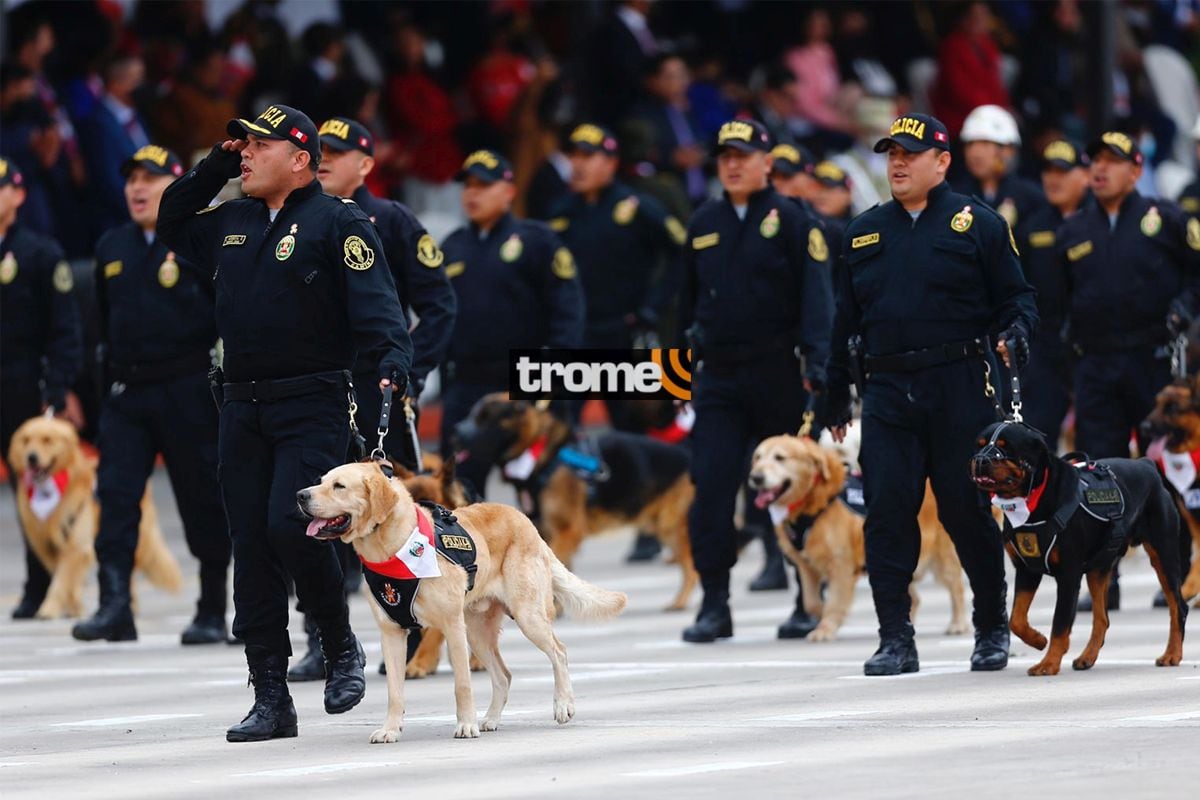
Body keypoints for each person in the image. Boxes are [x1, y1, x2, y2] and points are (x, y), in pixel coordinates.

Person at [157, 104, 413, 742]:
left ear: (301, 159)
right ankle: (270, 695)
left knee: (289, 523)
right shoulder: (234, 218)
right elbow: (170, 218)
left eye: (258, 145)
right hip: (240, 406)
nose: (245, 152)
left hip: (313, 401)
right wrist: (217, 161)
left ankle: (336, 641)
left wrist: (392, 365)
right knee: (251, 544)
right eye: (242, 144)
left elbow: (379, 311)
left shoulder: (338, 222)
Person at [822, 113, 1038, 675]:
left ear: (942, 161)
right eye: (890, 153)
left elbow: (1018, 299)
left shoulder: (980, 224)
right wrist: (831, 395)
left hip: (960, 385)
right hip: (888, 390)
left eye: (909, 153)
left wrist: (1016, 332)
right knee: (887, 513)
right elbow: (843, 322)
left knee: (966, 513)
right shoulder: (864, 231)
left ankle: (991, 627)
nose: (897, 162)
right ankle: (895, 637)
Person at [285, 115, 457, 681]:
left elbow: (439, 304)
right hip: (319, 386)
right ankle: (324, 639)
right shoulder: (292, 218)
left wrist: (410, 371)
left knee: (404, 516)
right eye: (320, 150)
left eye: (339, 151)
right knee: (321, 513)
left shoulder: (392, 219)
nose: (326, 159)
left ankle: (417, 634)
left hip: (379, 387)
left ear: (367, 164)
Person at [677, 118, 833, 643]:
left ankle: (806, 598)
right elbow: (682, 306)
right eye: (724, 156)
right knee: (712, 489)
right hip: (718, 377)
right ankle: (715, 603)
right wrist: (671, 376)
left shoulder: (792, 220)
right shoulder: (702, 222)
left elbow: (818, 300)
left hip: (777, 373)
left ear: (767, 161)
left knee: (796, 491)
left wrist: (819, 367)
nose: (734, 164)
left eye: (744, 154)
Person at [70, 146, 232, 645]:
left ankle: (210, 608)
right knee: (115, 499)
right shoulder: (112, 245)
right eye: (131, 178)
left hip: (187, 387)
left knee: (203, 499)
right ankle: (115, 605)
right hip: (126, 392)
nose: (137, 188)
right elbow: (98, 324)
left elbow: (225, 312)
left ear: (176, 185)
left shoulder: (195, 241)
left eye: (150, 177)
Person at [1055, 131, 1200, 611]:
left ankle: (1176, 575)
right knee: (1097, 475)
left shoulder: (1167, 219)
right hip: (1096, 365)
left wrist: (1184, 307)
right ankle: (1104, 580)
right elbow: (1059, 296)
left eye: (1112, 161)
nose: (1100, 170)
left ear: (1136, 170)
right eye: (1094, 161)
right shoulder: (1074, 229)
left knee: (1163, 472)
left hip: (1153, 359)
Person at [547, 122, 685, 563]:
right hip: (573, 339)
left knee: (632, 436)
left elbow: (683, 254)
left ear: (610, 162)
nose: (581, 165)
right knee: (561, 433)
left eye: (590, 156)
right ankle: (567, 519)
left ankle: (646, 521)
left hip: (624, 337)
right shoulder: (560, 210)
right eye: (576, 156)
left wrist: (653, 308)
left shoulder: (636, 206)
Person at [439, 149, 584, 497]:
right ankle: (471, 551)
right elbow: (440, 313)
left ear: (508, 191)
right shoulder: (453, 246)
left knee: (539, 485)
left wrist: (553, 371)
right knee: (459, 485)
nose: (473, 194)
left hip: (525, 380)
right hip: (468, 384)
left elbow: (568, 309)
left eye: (483, 186)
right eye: (468, 186)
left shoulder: (536, 240)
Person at [0, 157, 82, 619]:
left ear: (18, 194)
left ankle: (41, 579)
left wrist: (57, 389)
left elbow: (64, 329)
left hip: (21, 385)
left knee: (34, 488)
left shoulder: (39, 253)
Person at [1013, 140, 1089, 445]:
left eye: (1063, 171)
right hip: (1044, 345)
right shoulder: (1032, 226)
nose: (1052, 178)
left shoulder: (1099, 221)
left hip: (1091, 346)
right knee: (1037, 433)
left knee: (1094, 439)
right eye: (1047, 170)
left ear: (1085, 175)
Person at [954, 105, 1045, 231]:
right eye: (970, 144)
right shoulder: (954, 198)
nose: (975, 153)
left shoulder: (1032, 198)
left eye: (985, 144)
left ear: (1008, 150)